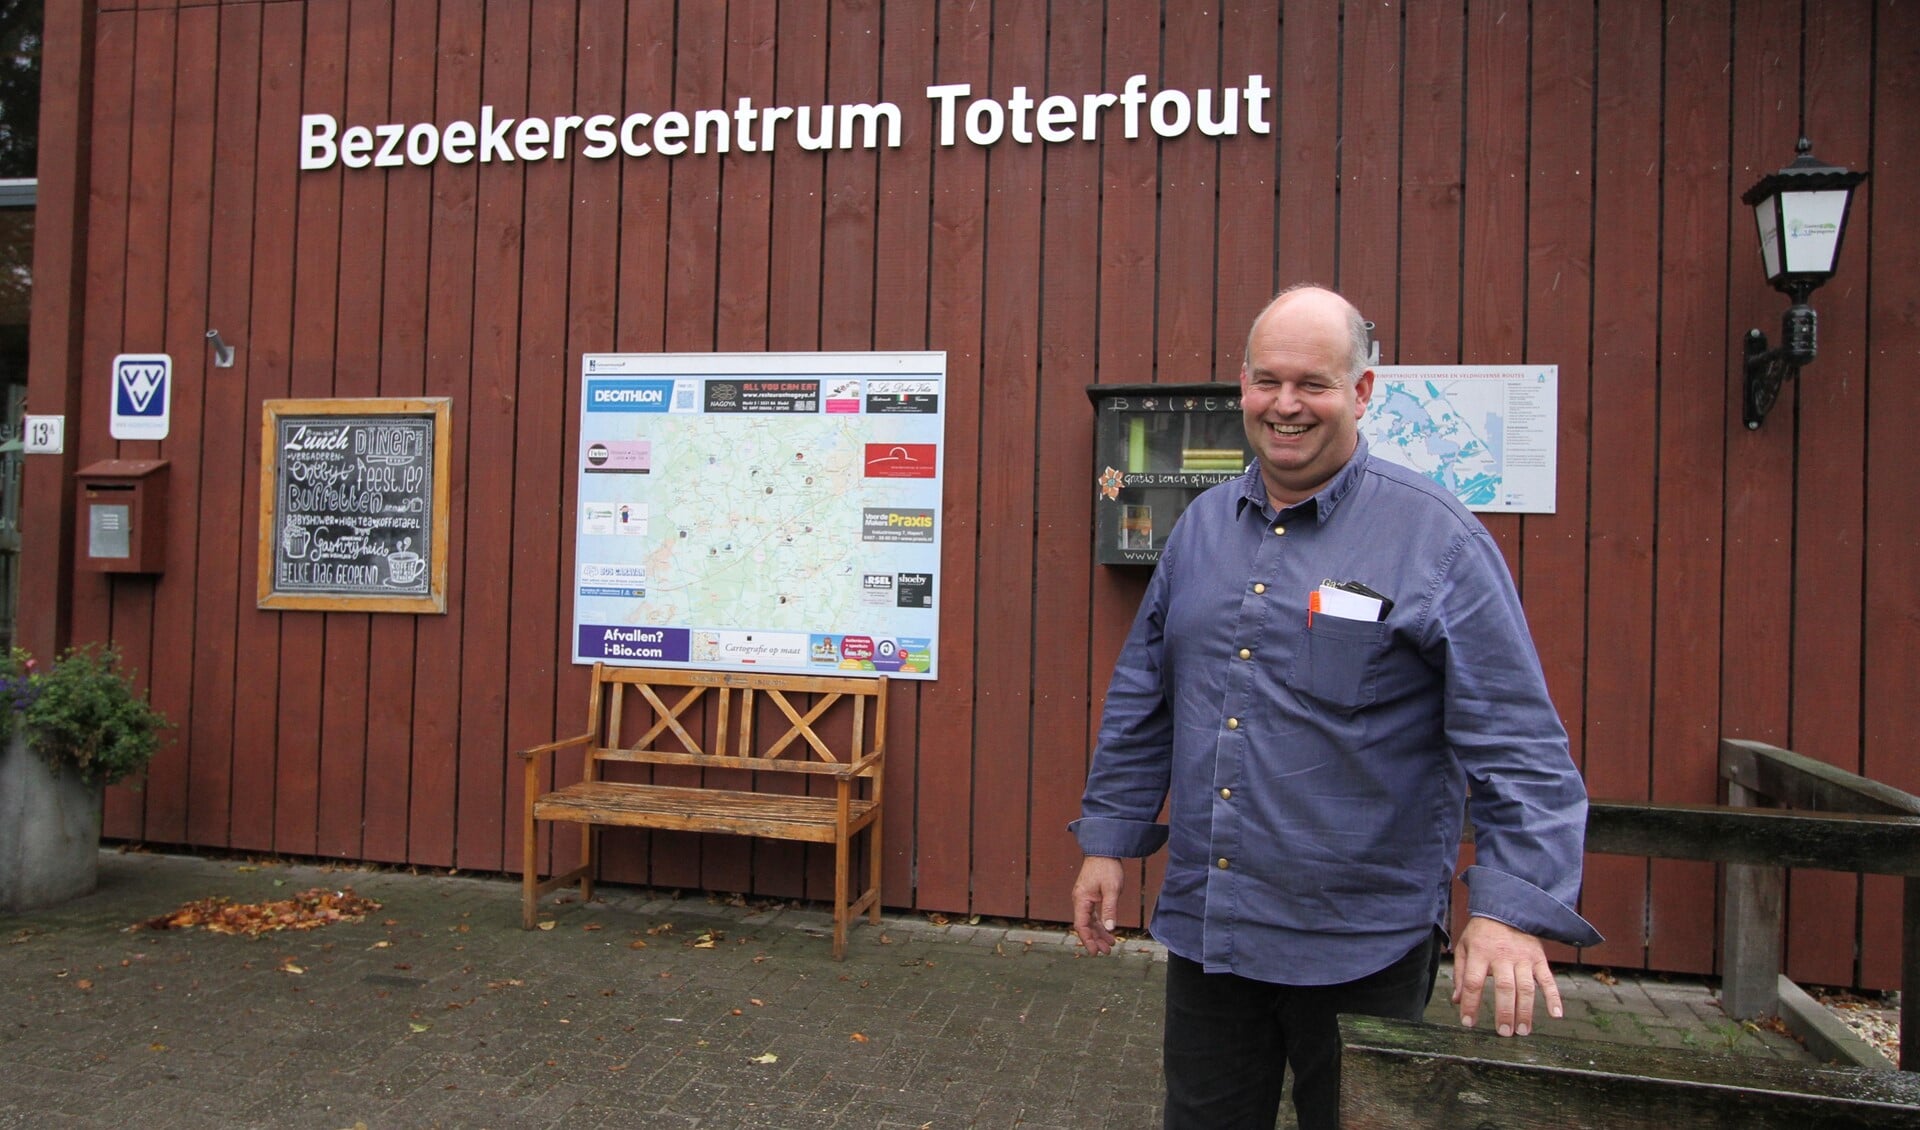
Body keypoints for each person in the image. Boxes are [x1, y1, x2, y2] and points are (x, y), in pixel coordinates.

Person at [1069, 284, 1601, 1130]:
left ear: (1361, 392)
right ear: (1241, 385)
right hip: (1216, 931)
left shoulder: (1437, 540)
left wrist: (1506, 909)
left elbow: (1518, 740)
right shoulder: (1201, 529)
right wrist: (1111, 839)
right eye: (1267, 380)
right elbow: (1145, 696)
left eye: (1312, 383)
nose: (1286, 405)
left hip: (1361, 941)